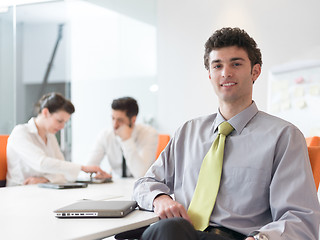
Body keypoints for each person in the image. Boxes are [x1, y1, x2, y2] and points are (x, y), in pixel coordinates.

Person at [133, 27, 320, 240]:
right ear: (210, 75)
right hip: (182, 232)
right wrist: (160, 198)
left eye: (236, 64)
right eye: (218, 65)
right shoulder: (187, 132)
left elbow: (300, 218)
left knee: (167, 231)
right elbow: (144, 183)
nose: (226, 73)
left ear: (255, 71)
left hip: (238, 237)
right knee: (162, 230)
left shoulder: (284, 137)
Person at [6, 92, 109, 186]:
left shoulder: (50, 136)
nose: (62, 127)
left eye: (65, 122)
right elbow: (41, 163)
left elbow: (63, 173)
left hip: (41, 191)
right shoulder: (21, 133)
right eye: (60, 121)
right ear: (46, 112)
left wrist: (45, 179)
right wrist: (82, 168)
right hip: (20, 191)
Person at [87, 96, 158, 178]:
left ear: (133, 120)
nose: (115, 125)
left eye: (120, 120)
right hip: (116, 184)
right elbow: (89, 168)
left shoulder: (149, 134)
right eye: (113, 118)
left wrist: (127, 140)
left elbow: (142, 174)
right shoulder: (106, 135)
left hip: (141, 186)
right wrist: (99, 175)